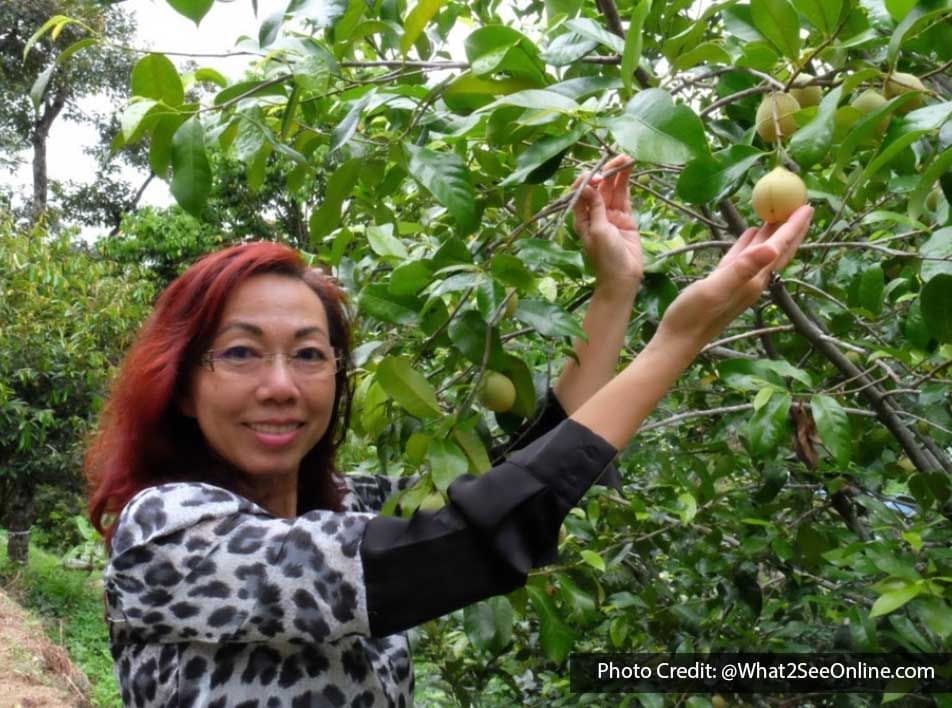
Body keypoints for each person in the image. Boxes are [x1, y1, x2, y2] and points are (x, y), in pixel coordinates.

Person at [85, 155, 813, 707]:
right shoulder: (170, 532)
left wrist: (615, 290)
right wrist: (676, 341)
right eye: (240, 352)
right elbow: (469, 542)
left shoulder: (342, 504)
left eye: (309, 354)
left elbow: (525, 478)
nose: (279, 385)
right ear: (182, 386)